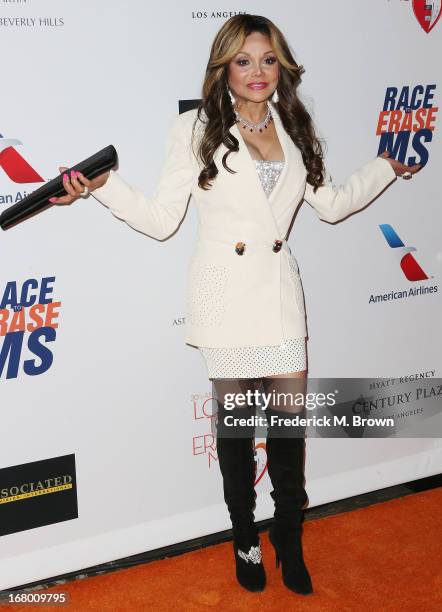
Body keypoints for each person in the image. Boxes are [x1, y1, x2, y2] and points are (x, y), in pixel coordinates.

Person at [50, 14, 421, 596]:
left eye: (268, 59)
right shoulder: (195, 127)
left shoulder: (293, 124)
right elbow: (160, 219)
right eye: (244, 60)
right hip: (225, 295)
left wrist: (386, 167)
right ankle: (245, 534)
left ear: (282, 66)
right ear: (223, 66)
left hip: (278, 293)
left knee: (289, 432)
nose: (257, 72)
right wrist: (103, 189)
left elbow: (331, 203)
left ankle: (289, 537)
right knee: (236, 431)